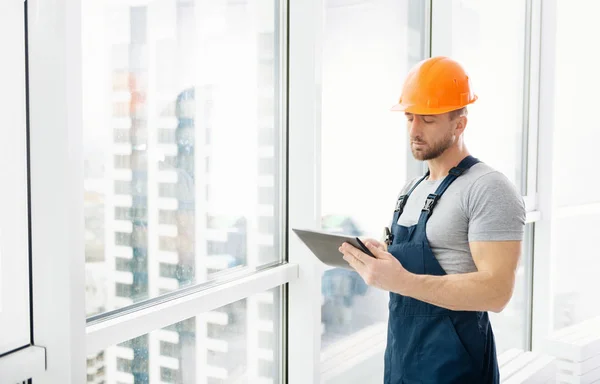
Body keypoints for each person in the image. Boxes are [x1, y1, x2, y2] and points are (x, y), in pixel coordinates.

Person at [338, 56, 525, 383]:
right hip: (402, 361)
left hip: (454, 370)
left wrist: (399, 280)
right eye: (410, 118)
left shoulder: (488, 187)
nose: (414, 130)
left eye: (427, 119)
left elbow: (497, 292)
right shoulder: (411, 189)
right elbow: (426, 259)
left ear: (459, 124)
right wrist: (380, 255)